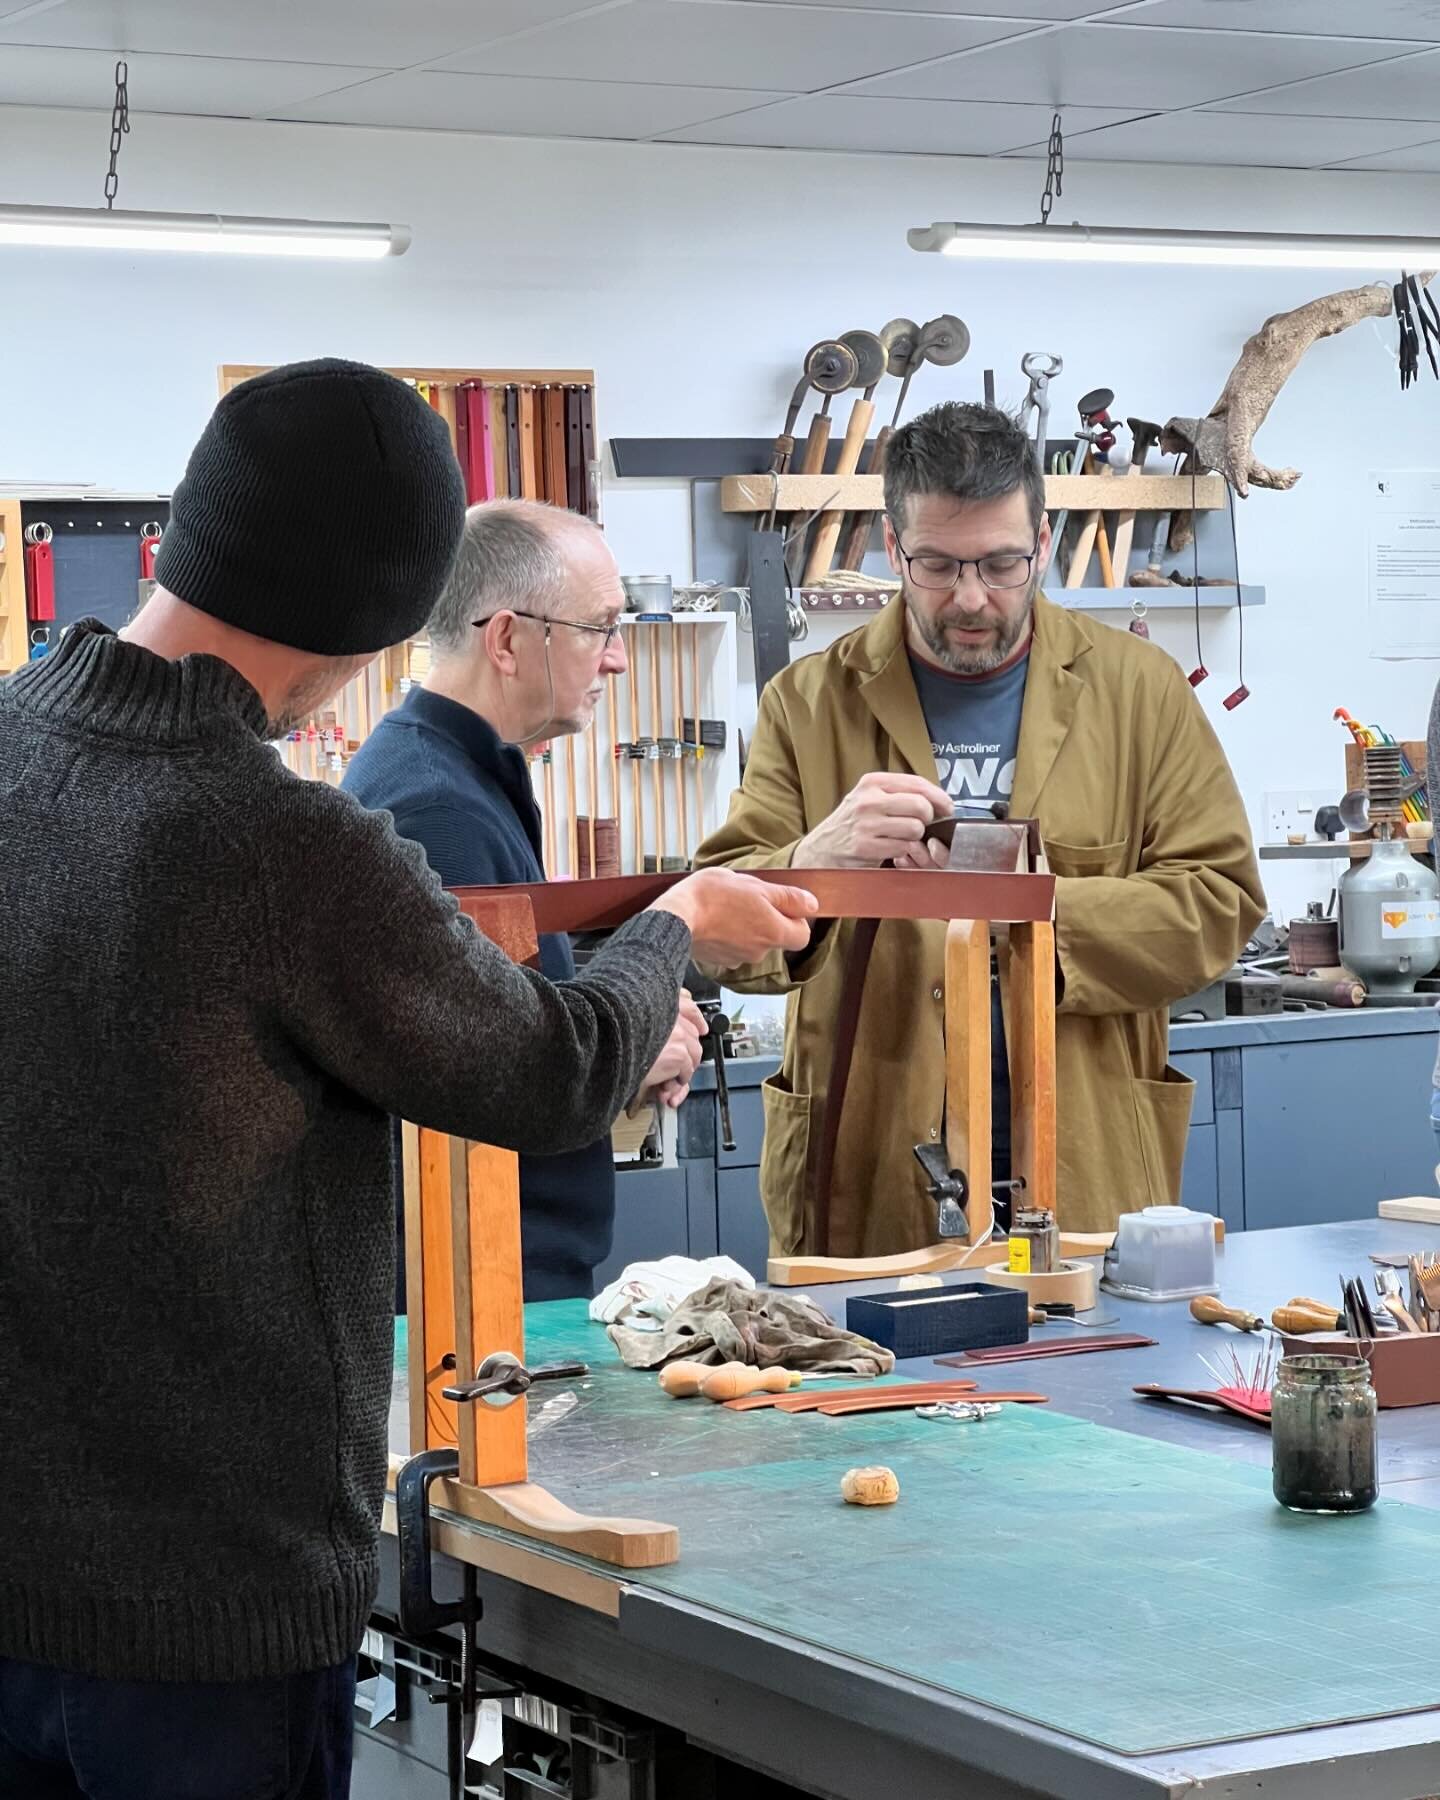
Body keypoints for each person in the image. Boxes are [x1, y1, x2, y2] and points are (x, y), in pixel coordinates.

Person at [0, 358, 815, 1798]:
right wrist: (673, 925)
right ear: (380, 614)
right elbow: (550, 1072)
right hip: (205, 1625)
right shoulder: (271, 837)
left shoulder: (11, 743)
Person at [696, 400, 1263, 1255]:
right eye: (937, 566)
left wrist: (1030, 908)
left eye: (1001, 564)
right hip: (872, 1155)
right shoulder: (808, 703)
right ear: (895, 549)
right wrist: (817, 862)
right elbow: (719, 932)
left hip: (1083, 1153)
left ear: (1041, 545)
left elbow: (1219, 900)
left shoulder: (1139, 692)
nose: (971, 599)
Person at [344, 499, 703, 1299]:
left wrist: (623, 1059)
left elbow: (500, 1034)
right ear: (507, 639)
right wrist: (632, 1043)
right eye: (600, 628)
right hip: (483, 1292)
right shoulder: (435, 811)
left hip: (504, 1273)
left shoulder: (460, 778)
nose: (616, 659)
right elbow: (487, 1083)